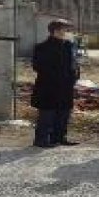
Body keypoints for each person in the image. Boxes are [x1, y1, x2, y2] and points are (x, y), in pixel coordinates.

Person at [31, 19, 81, 148]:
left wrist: (74, 76)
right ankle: (41, 139)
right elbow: (37, 66)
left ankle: (59, 137)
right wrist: (56, 75)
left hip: (66, 86)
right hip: (48, 86)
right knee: (47, 113)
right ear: (56, 31)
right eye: (64, 29)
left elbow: (74, 63)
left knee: (64, 112)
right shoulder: (42, 47)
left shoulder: (68, 46)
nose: (67, 32)